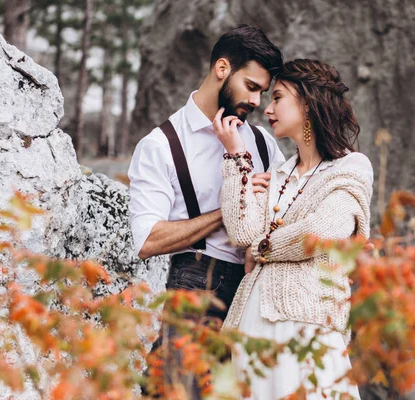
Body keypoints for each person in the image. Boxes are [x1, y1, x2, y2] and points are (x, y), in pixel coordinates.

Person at [127, 25, 285, 396]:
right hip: (195, 288)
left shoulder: (260, 141)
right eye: (251, 86)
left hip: (255, 294)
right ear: (222, 69)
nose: (258, 102)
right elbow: (148, 239)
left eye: (263, 92)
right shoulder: (161, 144)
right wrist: (229, 208)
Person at [215, 59, 373, 399]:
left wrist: (260, 251)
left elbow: (322, 232)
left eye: (278, 98)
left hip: (307, 328)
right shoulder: (279, 176)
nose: (268, 109)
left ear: (307, 103)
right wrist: (236, 158)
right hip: (252, 326)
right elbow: (242, 232)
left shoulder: (350, 167)